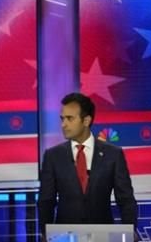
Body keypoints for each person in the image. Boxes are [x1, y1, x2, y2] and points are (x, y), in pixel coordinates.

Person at [39, 92, 138, 230]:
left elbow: (125, 199)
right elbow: (46, 200)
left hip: (104, 238)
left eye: (69, 119)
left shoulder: (113, 154)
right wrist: (45, 232)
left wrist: (130, 228)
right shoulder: (53, 156)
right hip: (65, 240)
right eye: (62, 119)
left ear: (86, 121)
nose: (63, 124)